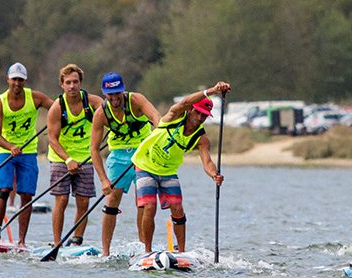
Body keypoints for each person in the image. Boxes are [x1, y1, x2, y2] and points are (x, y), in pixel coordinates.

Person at [131, 81, 228, 253]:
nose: (199, 118)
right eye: (197, 112)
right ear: (191, 110)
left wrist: (215, 175)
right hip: (145, 165)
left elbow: (207, 162)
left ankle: (182, 252)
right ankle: (147, 251)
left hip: (168, 171)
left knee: (178, 208)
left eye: (204, 116)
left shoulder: (201, 138)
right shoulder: (174, 117)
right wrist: (212, 91)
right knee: (149, 206)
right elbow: (183, 102)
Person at [89, 72, 160, 256]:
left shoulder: (136, 100)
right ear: (105, 93)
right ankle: (105, 252)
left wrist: (158, 134)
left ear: (123, 90)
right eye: (110, 94)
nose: (114, 98)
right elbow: (94, 150)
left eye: (117, 93)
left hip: (142, 153)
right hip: (118, 156)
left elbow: (155, 117)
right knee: (112, 200)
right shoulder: (101, 114)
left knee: (143, 202)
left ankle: (144, 249)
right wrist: (103, 180)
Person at [0, 62, 52, 246]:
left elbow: (57, 108)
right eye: (14, 79)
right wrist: (10, 147)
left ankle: (22, 242)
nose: (17, 83)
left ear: (25, 81)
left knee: (26, 194)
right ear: (8, 80)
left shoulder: (35, 98)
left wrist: (59, 120)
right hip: (5, 150)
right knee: (4, 190)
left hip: (28, 150)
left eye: (21, 80)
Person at [46, 64, 103, 246]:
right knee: (62, 200)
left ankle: (77, 240)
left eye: (75, 82)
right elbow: (52, 139)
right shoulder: (56, 107)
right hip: (61, 157)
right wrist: (68, 159)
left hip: (86, 157)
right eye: (68, 82)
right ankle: (57, 243)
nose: (72, 86)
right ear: (62, 85)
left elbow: (111, 117)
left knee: (83, 202)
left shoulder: (93, 102)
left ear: (81, 83)